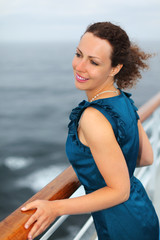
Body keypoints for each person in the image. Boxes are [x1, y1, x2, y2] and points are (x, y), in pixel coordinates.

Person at [21, 22, 159, 240]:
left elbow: (120, 191)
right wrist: (106, 162)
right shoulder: (122, 99)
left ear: (115, 68)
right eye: (78, 54)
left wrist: (55, 208)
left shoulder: (93, 117)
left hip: (121, 227)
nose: (80, 66)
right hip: (142, 213)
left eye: (93, 62)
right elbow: (146, 157)